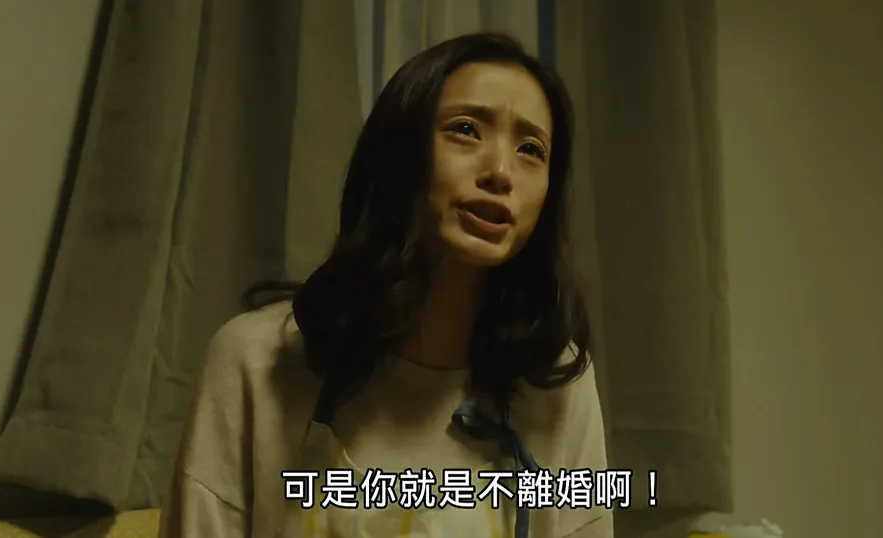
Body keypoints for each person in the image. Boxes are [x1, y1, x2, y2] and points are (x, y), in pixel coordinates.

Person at [159, 32, 612, 538]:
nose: (501, 172)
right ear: (399, 152)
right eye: (465, 130)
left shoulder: (556, 384)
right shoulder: (256, 361)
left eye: (531, 149)